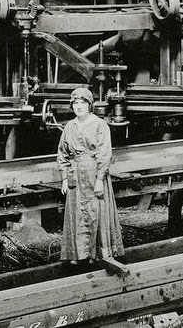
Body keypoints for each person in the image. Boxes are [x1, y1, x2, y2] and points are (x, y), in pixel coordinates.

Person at [57, 87, 124, 265]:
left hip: (94, 174)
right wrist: (64, 177)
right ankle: (79, 255)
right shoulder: (69, 127)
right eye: (75, 103)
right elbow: (62, 153)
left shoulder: (100, 125)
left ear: (89, 105)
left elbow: (104, 153)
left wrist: (100, 179)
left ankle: (97, 254)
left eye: (83, 103)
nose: (79, 107)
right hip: (75, 176)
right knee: (78, 215)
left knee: (96, 214)